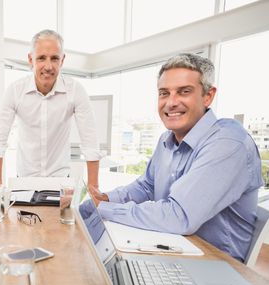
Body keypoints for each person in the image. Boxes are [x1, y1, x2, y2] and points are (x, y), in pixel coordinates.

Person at [86, 53, 263, 262]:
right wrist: (106, 198)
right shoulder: (166, 139)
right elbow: (146, 187)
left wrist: (105, 209)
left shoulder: (228, 143)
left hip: (215, 266)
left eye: (184, 92)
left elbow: (179, 215)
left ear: (208, 96)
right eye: (164, 93)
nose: (171, 102)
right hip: (173, 248)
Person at [0, 29, 103, 188]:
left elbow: (90, 143)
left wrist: (93, 189)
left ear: (62, 60)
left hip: (61, 182)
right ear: (31, 59)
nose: (48, 66)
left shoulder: (76, 90)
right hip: (24, 181)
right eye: (41, 58)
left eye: (54, 58)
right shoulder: (15, 91)